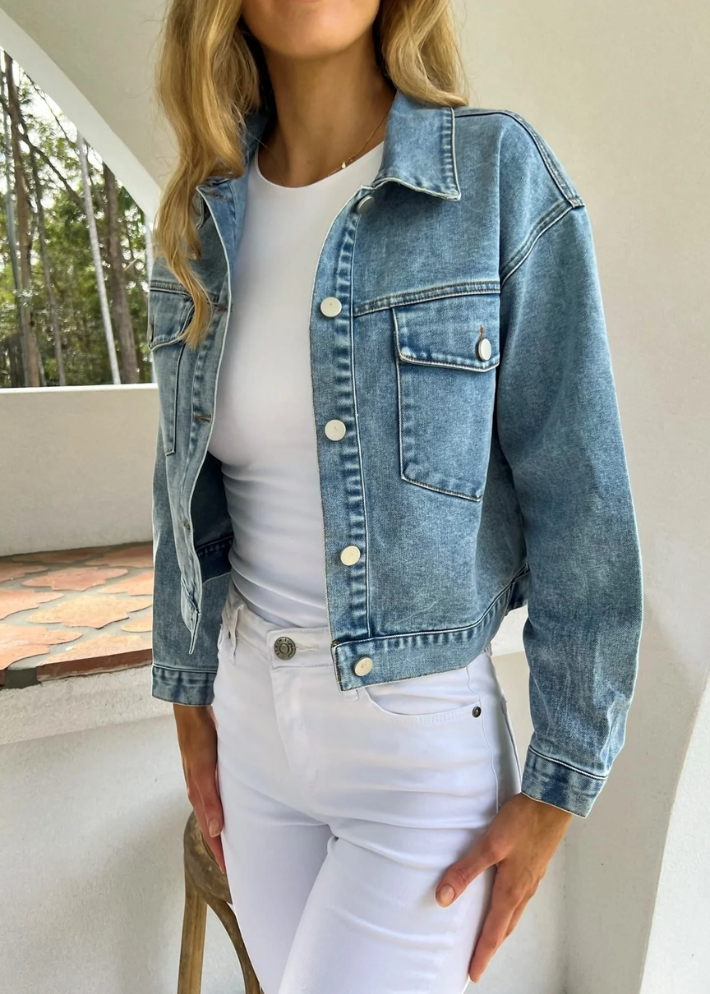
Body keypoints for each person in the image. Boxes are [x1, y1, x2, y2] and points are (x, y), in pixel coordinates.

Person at [148, 1, 643, 991]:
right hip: (249, 719)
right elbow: (180, 484)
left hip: (411, 742)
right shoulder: (202, 208)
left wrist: (559, 784)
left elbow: (578, 492)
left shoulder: (493, 176)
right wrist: (189, 696)